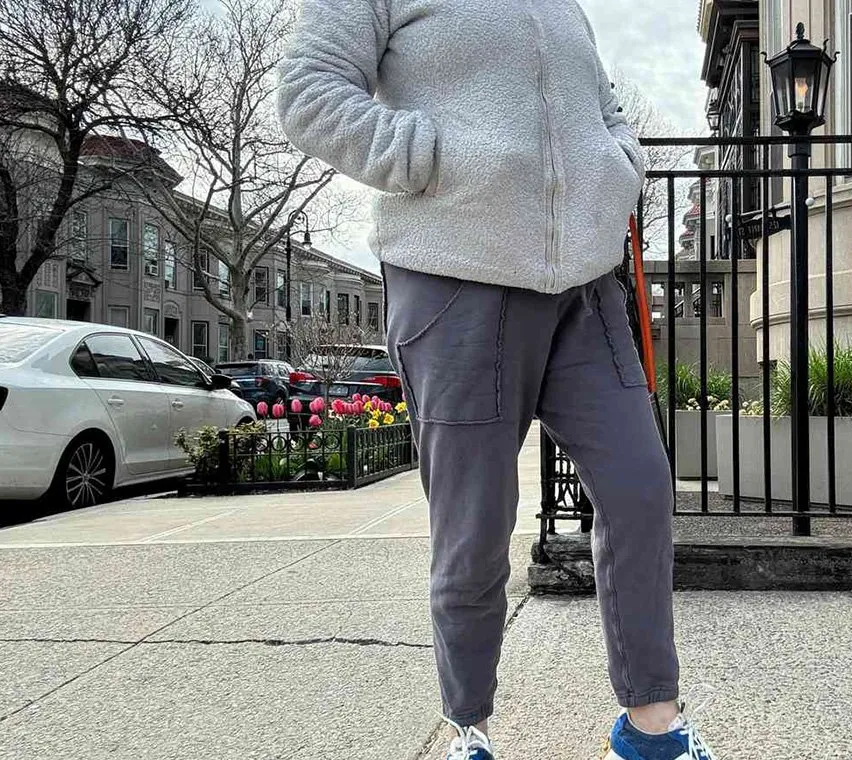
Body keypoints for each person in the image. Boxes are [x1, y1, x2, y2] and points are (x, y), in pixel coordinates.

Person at [276, 2, 716, 758]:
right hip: (455, 280)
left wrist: (619, 165)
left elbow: (604, 111)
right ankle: (469, 728)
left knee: (641, 491)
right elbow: (308, 89)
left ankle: (652, 729)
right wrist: (428, 157)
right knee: (475, 529)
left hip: (586, 290)